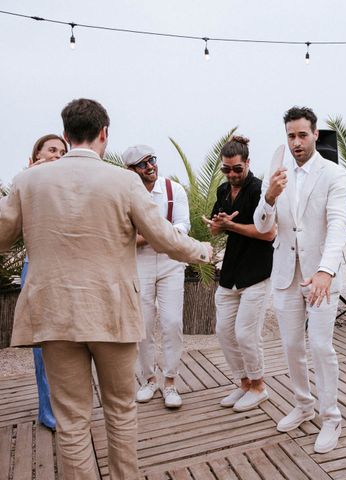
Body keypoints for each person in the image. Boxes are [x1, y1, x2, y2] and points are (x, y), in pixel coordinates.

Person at [0, 98, 213, 479]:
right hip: (112, 313)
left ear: (65, 135)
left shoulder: (27, 180)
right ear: (104, 134)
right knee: (120, 409)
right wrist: (205, 251)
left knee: (71, 418)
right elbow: (165, 239)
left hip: (54, 315)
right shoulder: (125, 181)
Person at [253, 106, 346, 454]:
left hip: (321, 273)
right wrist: (269, 197)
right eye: (291, 135)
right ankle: (304, 404)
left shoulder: (334, 175)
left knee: (321, 346)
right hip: (285, 272)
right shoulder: (277, 173)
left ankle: (331, 417)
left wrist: (326, 270)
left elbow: (338, 225)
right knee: (292, 345)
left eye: (302, 135)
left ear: (315, 135)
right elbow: (263, 226)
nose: (296, 142)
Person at [203, 135, 276, 412]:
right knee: (223, 332)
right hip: (231, 271)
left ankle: (259, 386)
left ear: (247, 163)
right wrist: (218, 224)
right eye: (226, 169)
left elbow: (269, 232)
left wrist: (231, 227)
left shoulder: (260, 190)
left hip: (257, 271)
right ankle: (244, 383)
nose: (231, 174)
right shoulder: (223, 191)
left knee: (246, 334)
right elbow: (214, 228)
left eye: (237, 168)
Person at [123, 144, 190, 409]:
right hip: (139, 264)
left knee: (172, 322)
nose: (150, 166)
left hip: (171, 262)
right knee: (143, 325)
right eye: (143, 164)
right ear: (131, 170)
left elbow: (184, 225)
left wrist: (155, 235)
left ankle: (171, 381)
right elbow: (124, 236)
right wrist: (154, 236)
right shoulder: (127, 195)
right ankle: (149, 379)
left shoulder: (174, 190)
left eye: (152, 159)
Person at [22, 134, 68, 431]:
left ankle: (68, 405)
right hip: (37, 269)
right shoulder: (25, 184)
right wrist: (29, 175)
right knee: (43, 346)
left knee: (69, 343)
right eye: (52, 150)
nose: (58, 155)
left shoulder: (68, 188)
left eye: (63, 152)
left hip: (68, 271)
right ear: (35, 156)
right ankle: (47, 410)